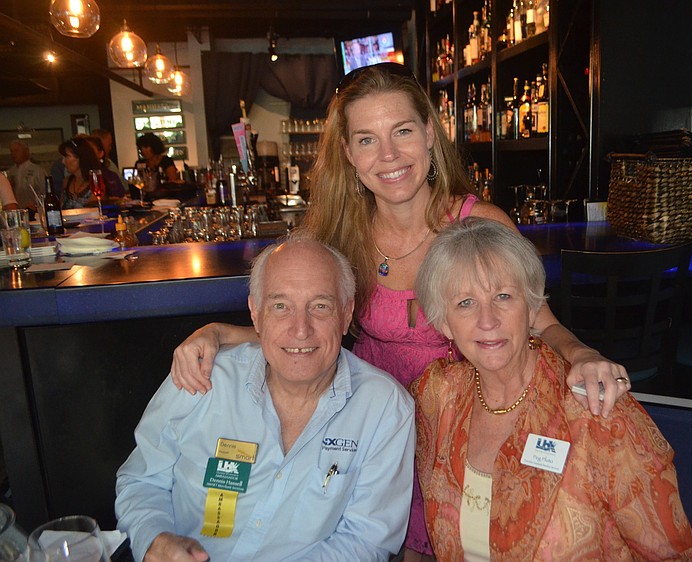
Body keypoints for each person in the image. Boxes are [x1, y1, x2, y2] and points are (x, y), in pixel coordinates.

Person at [170, 62, 629, 561]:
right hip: (368, 423)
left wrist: (581, 353)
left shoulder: (478, 223)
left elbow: (533, 316)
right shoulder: (340, 234)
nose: (388, 155)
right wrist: (221, 333)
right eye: (367, 139)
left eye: (403, 131)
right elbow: (307, 331)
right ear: (348, 153)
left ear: (431, 133)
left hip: (461, 420)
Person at [410, 217, 692, 561]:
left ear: (533, 307)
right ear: (445, 323)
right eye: (465, 303)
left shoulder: (595, 410)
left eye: (503, 296)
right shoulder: (437, 397)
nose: (487, 320)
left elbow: (676, 555)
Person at [115, 235, 415, 562]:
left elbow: (365, 541)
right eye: (280, 306)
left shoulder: (384, 409)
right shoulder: (201, 377)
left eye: (320, 306)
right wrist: (155, 539)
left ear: (346, 314)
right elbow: (141, 480)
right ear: (255, 314)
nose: (301, 329)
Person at [57, 138, 101, 209]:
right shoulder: (67, 182)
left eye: (67, 156)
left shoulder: (96, 183)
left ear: (80, 157)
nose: (63, 161)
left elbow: (96, 209)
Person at [6, 140, 46, 212]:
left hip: (35, 211)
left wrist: (38, 206)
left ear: (26, 151)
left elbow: (44, 192)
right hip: (17, 212)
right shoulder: (10, 172)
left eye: (16, 150)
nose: (13, 154)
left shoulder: (37, 170)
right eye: (11, 151)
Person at [91, 128, 130, 193]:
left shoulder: (108, 164)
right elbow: (125, 188)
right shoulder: (108, 165)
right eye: (109, 145)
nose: (110, 148)